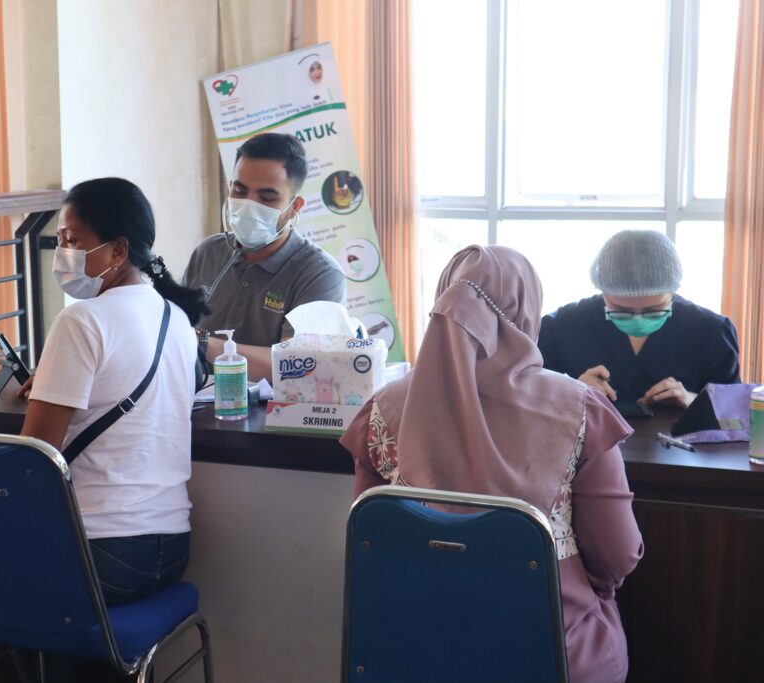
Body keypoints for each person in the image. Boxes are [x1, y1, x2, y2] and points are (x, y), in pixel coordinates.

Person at [0, 178, 208, 682]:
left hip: (98, 555)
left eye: (73, 239)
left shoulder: (82, 321)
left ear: (118, 250)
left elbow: (35, 459)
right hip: (168, 549)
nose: (62, 251)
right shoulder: (174, 318)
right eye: (61, 239)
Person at [340, 245, 644, 683]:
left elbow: (370, 546)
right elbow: (617, 556)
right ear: (527, 311)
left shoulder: (381, 411)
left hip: (409, 648)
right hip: (552, 653)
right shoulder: (581, 411)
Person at [183, 132, 346, 381]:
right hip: (193, 399)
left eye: (267, 197)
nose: (249, 205)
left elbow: (298, 365)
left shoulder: (320, 274)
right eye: (239, 190)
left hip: (269, 407)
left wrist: (202, 343)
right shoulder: (208, 252)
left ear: (295, 207)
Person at [538, 230, 740, 407]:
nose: (637, 320)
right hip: (590, 440)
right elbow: (530, 401)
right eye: (621, 310)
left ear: (672, 290)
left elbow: (733, 411)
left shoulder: (712, 332)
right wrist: (572, 392)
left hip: (682, 440)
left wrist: (693, 400)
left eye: (654, 310)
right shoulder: (561, 327)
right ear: (603, 290)